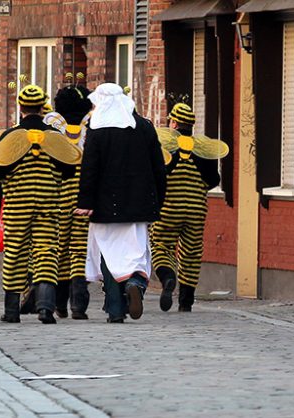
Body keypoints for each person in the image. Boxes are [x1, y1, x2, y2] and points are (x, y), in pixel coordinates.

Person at [0, 84, 79, 323]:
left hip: (18, 205)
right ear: (41, 107)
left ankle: (11, 311)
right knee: (46, 251)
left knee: (15, 252)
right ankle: (46, 308)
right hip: (49, 204)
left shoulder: (9, 136)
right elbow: (69, 170)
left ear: (20, 107)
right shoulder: (55, 136)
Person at [76, 84, 166, 323]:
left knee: (109, 255)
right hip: (138, 203)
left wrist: (85, 201)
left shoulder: (96, 130)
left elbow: (90, 169)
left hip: (105, 205)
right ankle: (135, 284)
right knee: (135, 253)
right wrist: (158, 199)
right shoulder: (144, 127)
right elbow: (159, 166)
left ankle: (115, 309)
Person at [151, 103, 228, 312]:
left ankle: (168, 278)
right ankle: (186, 302)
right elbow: (213, 180)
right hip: (196, 210)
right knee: (191, 254)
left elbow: (156, 174)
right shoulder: (204, 149)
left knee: (160, 245)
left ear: (173, 122)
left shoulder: (165, 145)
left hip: (168, 208)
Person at [45, 81, 93, 319]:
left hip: (58, 193)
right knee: (80, 249)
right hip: (84, 193)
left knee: (59, 248)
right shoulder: (92, 126)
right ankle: (79, 304)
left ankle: (59, 303)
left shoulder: (52, 127)